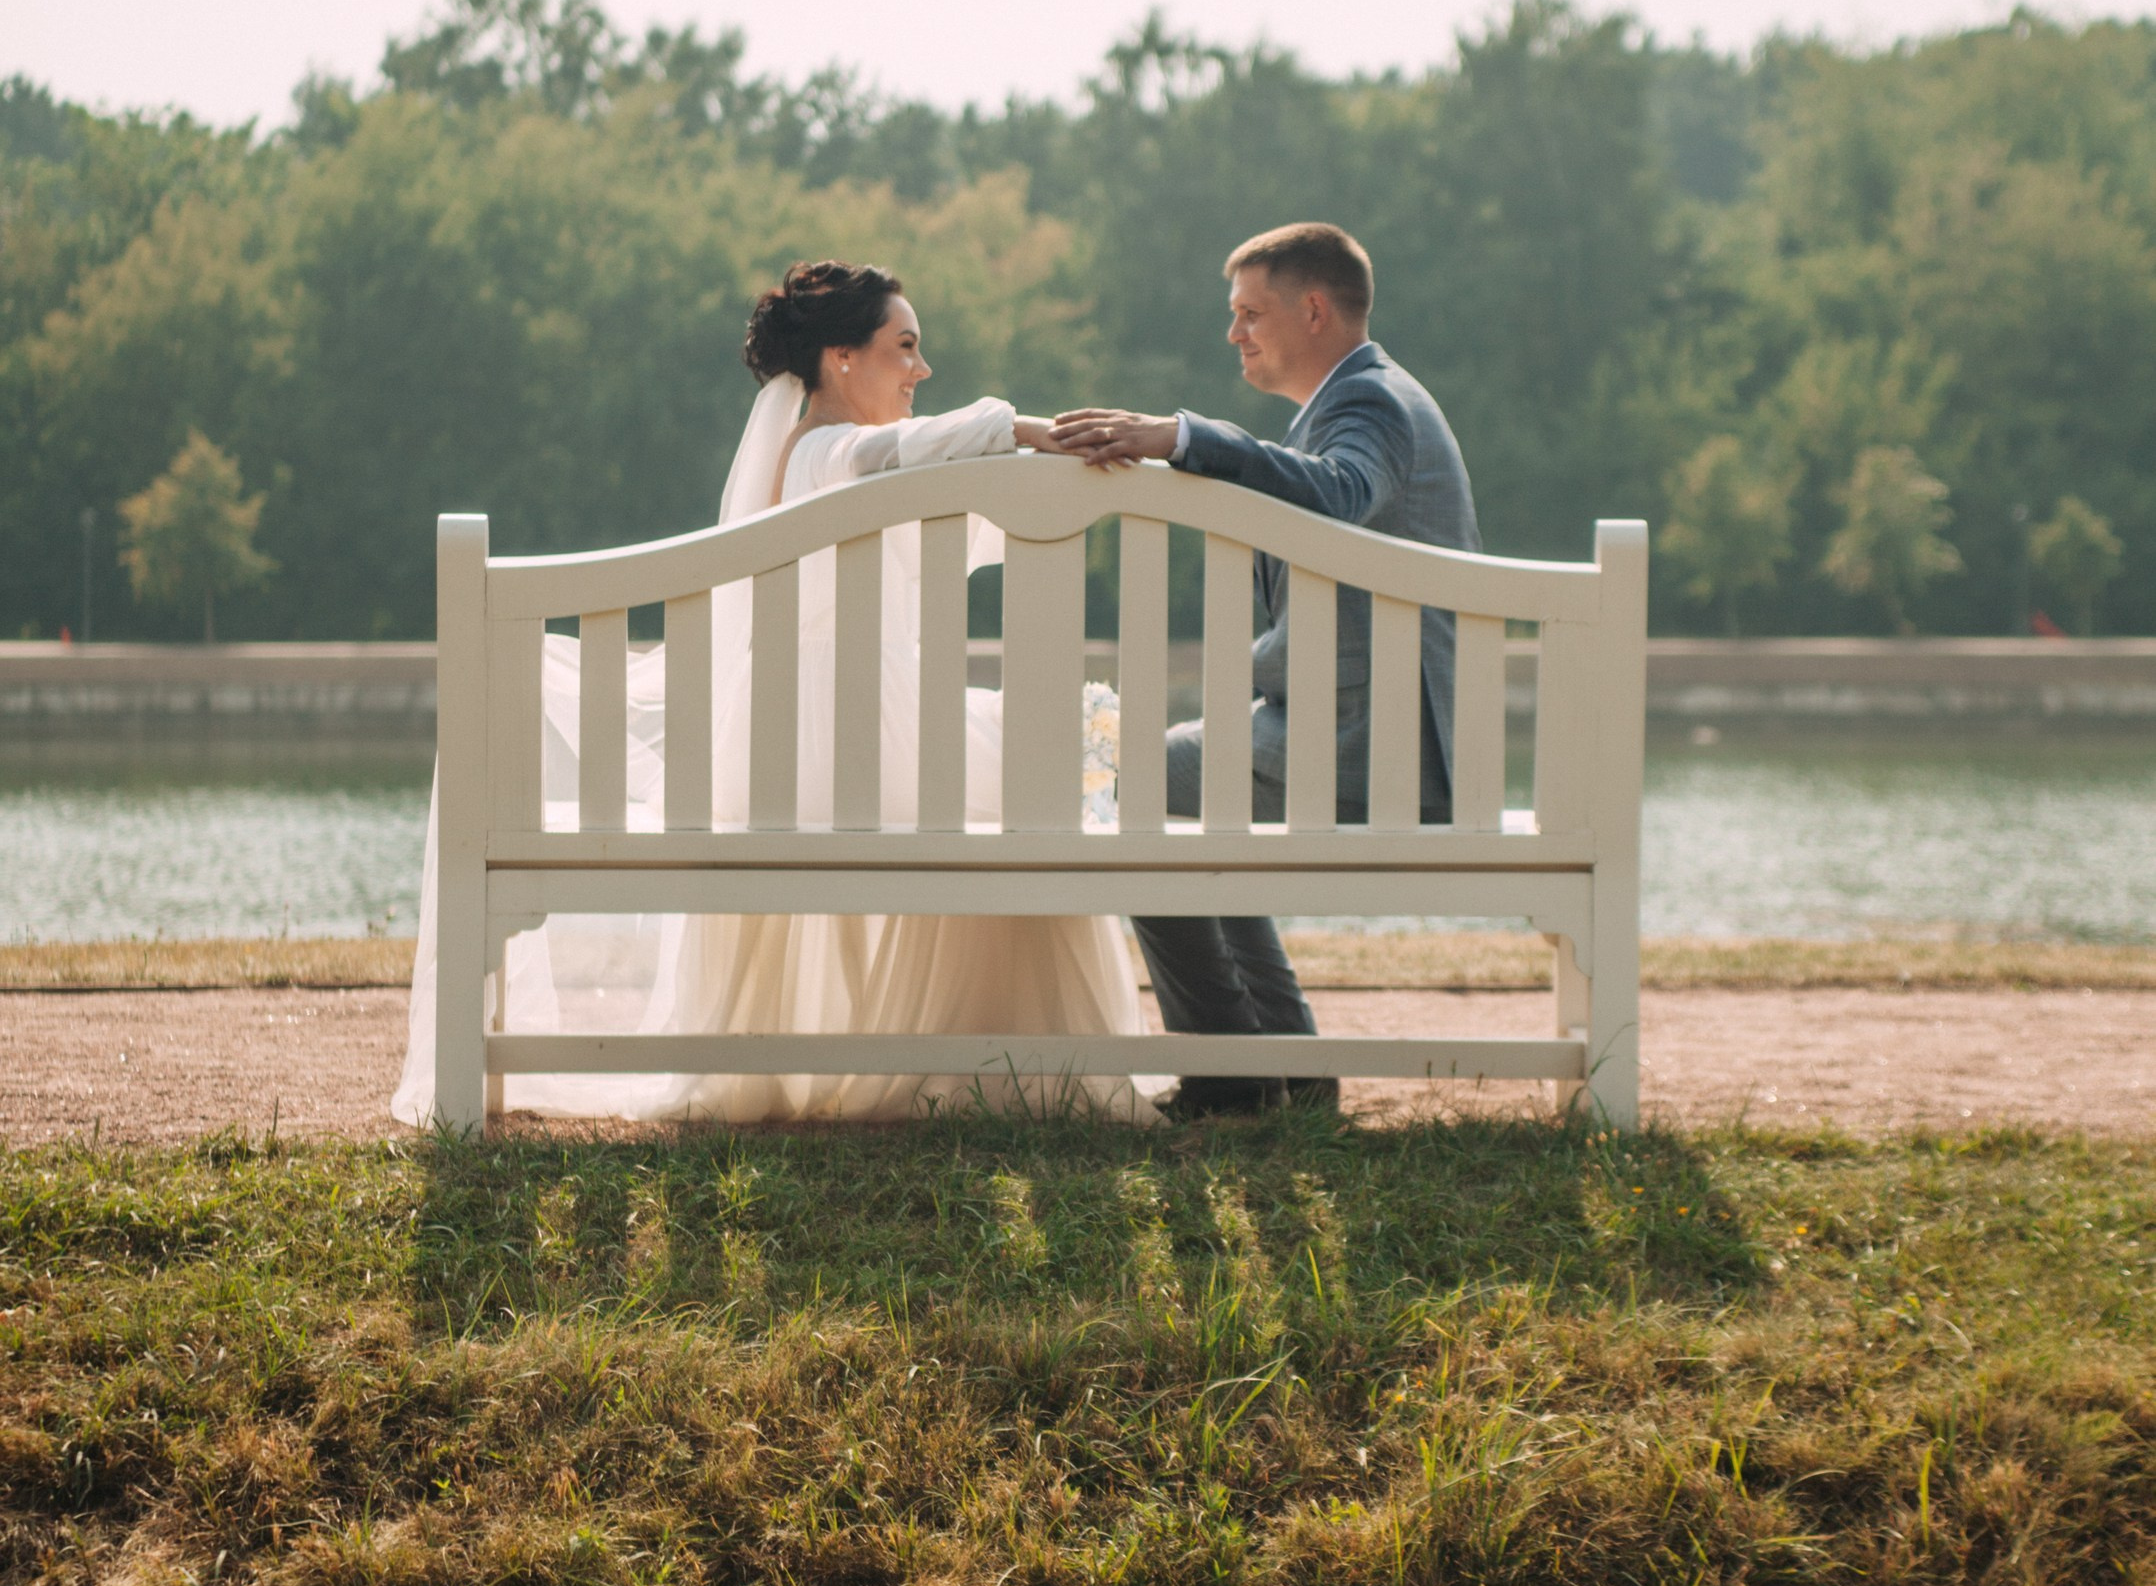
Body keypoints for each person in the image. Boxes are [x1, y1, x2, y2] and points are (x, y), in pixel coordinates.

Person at [393, 258, 1155, 1127]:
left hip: (811, 744)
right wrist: (1025, 428)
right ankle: (1029, 1061)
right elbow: (905, 452)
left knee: (1027, 779)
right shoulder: (837, 452)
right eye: (905, 348)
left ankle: (975, 1054)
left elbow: (932, 485)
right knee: (1040, 794)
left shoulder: (836, 461)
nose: (922, 369)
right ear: (840, 359)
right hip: (844, 747)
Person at [1052, 221, 1479, 1119]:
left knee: (1130, 783)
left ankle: (1237, 1077)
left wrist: (1179, 437)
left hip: (1373, 747)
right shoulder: (1356, 401)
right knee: (1168, 787)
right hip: (1357, 731)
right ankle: (1286, 1066)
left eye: (1250, 313)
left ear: (1314, 309)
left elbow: (1339, 492)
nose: (1234, 333)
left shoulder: (1369, 407)